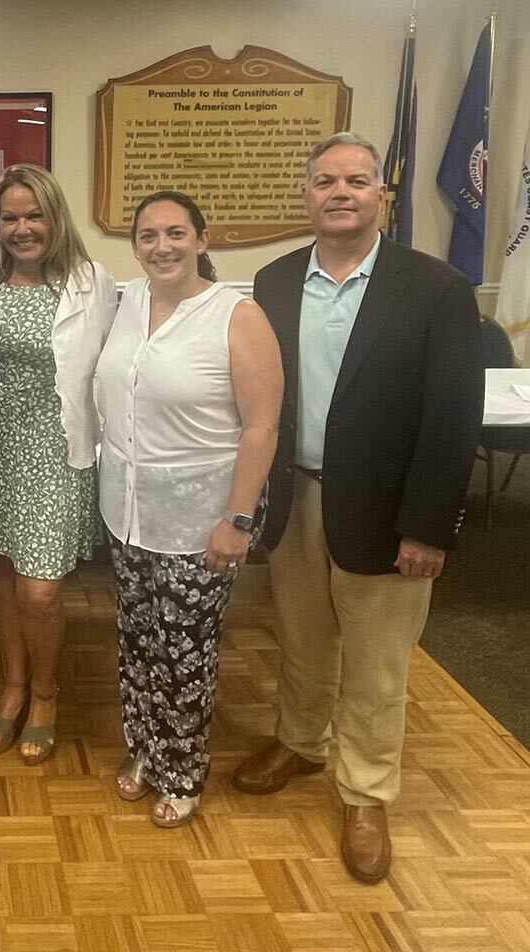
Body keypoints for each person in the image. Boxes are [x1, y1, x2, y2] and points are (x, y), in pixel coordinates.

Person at [231, 133, 483, 882]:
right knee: (303, 642)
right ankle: (301, 743)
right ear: (305, 195)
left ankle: (366, 792)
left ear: (383, 195)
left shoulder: (435, 288)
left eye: (356, 180)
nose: (339, 192)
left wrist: (429, 525)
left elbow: (453, 415)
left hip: (387, 509)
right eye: (324, 181)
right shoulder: (273, 281)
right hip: (297, 498)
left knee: (378, 664)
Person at [94, 190, 283, 828]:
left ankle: (182, 768)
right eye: (148, 236)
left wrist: (238, 521)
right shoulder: (128, 303)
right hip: (127, 513)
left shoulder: (236, 315)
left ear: (204, 239)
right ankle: (145, 747)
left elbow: (261, 430)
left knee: (184, 650)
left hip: (199, 524)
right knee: (138, 640)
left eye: (176, 233)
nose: (162, 247)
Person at [0, 164, 116, 765]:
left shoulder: (89, 281)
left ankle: (47, 693)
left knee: (41, 592)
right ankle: (14, 682)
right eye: (10, 217)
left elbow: (113, 364)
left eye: (35, 215)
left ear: (55, 218)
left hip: (56, 454)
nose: (23, 228)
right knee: (1, 576)